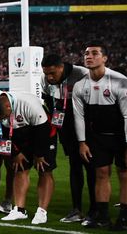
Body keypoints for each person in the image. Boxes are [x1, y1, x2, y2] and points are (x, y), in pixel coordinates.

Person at [72, 43, 127, 230]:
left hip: (121, 138)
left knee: (125, 174)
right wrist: (82, 142)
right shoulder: (80, 85)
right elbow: (79, 116)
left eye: (94, 53)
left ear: (105, 58)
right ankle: (103, 217)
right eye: (86, 53)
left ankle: (124, 219)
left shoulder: (120, 81)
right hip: (98, 138)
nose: (89, 57)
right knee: (101, 174)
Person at [0, 92, 56, 225]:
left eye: (4, 117)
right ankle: (19, 210)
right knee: (20, 168)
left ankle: (42, 211)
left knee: (44, 169)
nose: (2, 120)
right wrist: (15, 153)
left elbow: (43, 129)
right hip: (19, 133)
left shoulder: (29, 105)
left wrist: (39, 154)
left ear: (8, 106)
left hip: (43, 132)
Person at [40, 54, 93, 223]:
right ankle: (76, 209)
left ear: (61, 67)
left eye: (52, 73)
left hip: (86, 125)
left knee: (92, 167)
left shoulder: (82, 74)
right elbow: (48, 100)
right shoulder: (45, 79)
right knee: (74, 166)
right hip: (65, 128)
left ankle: (95, 210)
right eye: (46, 73)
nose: (49, 77)